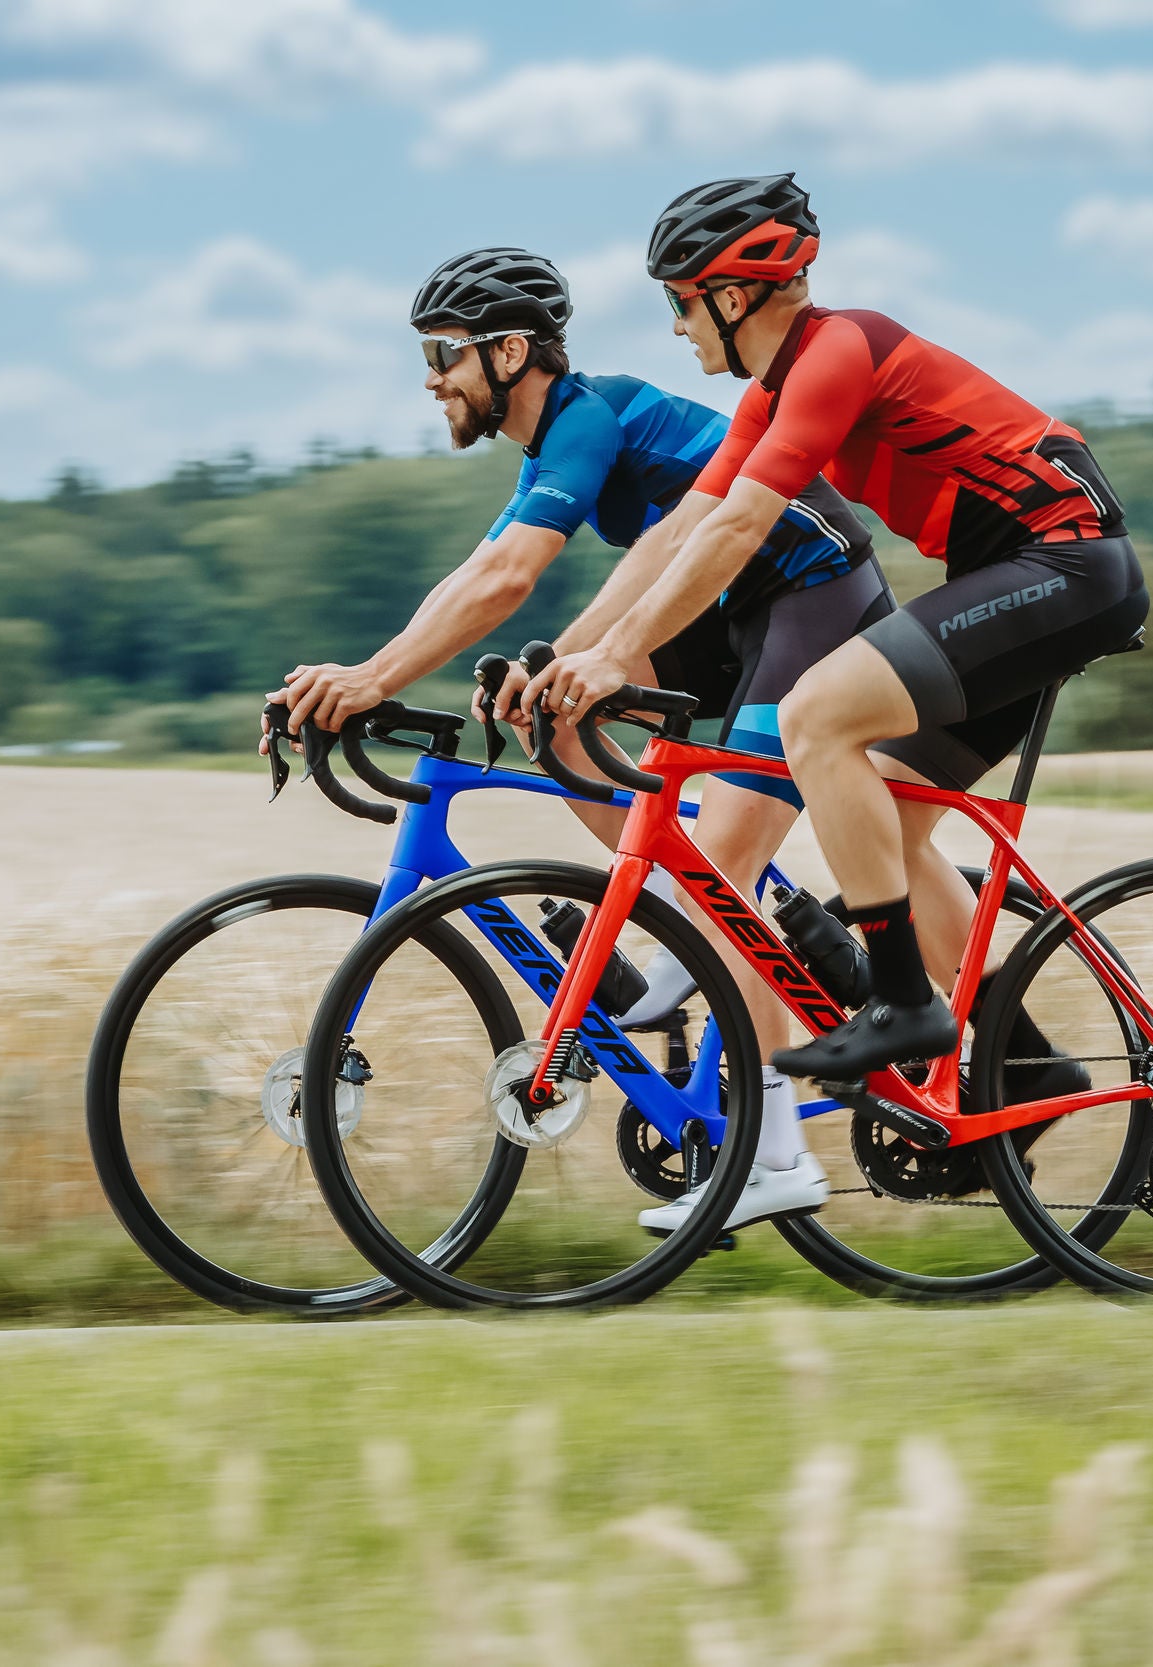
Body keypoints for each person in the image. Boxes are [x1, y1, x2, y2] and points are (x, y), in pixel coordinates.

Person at [268, 244, 897, 1232]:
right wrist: (382, 670)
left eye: (444, 355)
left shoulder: (585, 417)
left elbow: (508, 579)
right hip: (722, 619)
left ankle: (773, 1150)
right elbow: (476, 572)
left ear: (511, 351)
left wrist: (373, 678)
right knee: (561, 723)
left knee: (709, 879)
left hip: (809, 597)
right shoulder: (560, 438)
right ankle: (712, 933)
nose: (431, 381)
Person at [523, 175, 1147, 1086]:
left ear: (731, 297)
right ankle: (1027, 1059)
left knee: (816, 716)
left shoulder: (838, 350)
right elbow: (690, 527)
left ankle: (904, 1003)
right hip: (1016, 577)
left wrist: (622, 653)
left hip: (1067, 566)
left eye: (680, 301)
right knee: (891, 823)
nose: (675, 326)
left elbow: (740, 531)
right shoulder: (766, 399)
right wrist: (586, 650)